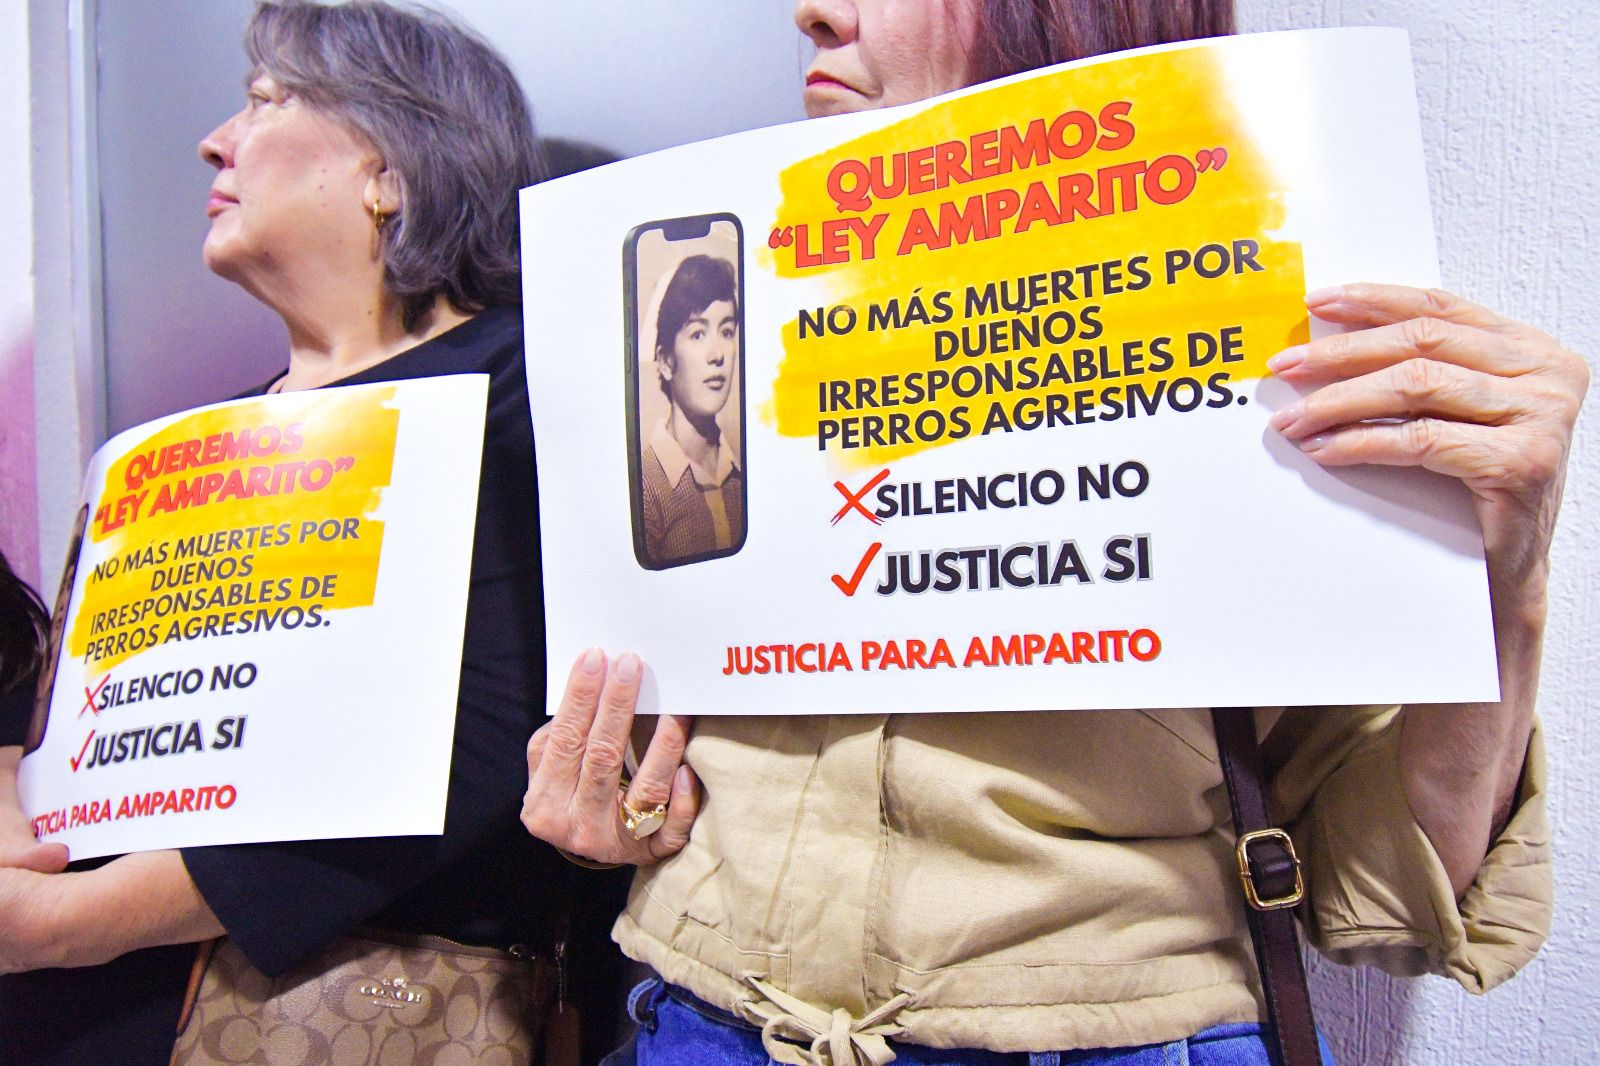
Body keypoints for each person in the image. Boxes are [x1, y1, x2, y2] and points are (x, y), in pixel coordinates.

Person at [521, 1, 1588, 1064]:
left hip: (1106, 1040)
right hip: (703, 1021)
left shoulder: (1259, 315)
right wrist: (617, 804)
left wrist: (1510, 581)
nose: (815, 13)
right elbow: (657, 752)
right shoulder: (730, 328)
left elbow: (1388, 896)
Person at [0, 2, 628, 1062]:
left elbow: (476, 748)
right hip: (99, 1012)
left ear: (389, 172)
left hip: (347, 1009)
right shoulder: (200, 440)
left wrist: (73, 923)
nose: (216, 142)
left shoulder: (521, 395)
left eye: (264, 102)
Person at [639, 254, 745, 566]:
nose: (717, 355)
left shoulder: (745, 472)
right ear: (666, 362)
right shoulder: (646, 489)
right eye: (698, 334)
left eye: (726, 331)